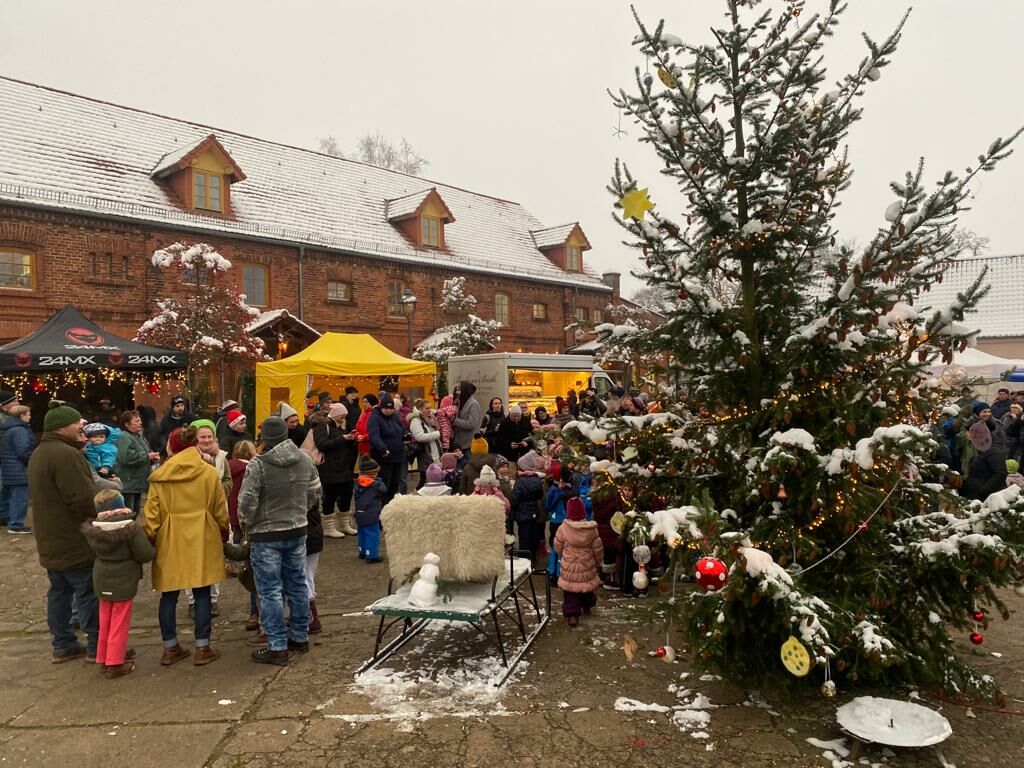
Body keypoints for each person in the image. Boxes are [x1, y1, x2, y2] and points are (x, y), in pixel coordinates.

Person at [237, 416, 321, 665]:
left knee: (270, 590)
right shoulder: (305, 460)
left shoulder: (258, 465)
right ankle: (299, 637)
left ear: (265, 439)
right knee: (297, 583)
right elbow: (315, 492)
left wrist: (247, 525)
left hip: (266, 534)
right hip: (297, 530)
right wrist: (299, 511)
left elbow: (246, 502)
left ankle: (277, 646)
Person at [144, 426, 229, 667]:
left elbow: (151, 515)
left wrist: (152, 537)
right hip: (203, 534)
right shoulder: (208, 472)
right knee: (202, 592)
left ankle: (170, 647)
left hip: (170, 537)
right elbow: (220, 508)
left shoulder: (160, 477)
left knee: (168, 594)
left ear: (172, 447)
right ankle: (203, 647)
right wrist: (223, 532)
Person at [27, 403, 100, 662]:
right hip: (73, 538)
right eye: (76, 422)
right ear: (60, 427)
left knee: (59, 592)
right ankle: (97, 646)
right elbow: (82, 499)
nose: (82, 426)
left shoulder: (40, 453)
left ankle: (63, 644)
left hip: (51, 539)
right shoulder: (65, 455)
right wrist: (102, 514)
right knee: (88, 592)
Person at [82, 490, 155, 678]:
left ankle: (103, 657)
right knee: (119, 621)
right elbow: (145, 554)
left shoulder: (92, 530)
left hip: (101, 576)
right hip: (124, 578)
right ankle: (115, 662)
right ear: (122, 506)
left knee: (105, 620)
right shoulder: (130, 529)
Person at [192, 419, 231, 617]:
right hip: (194, 513)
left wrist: (217, 490)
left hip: (217, 512)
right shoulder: (189, 458)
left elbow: (228, 481)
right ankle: (193, 602)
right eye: (203, 437)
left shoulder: (222, 457)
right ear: (196, 439)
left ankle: (213, 600)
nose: (207, 440)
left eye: (209, 436)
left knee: (215, 557)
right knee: (192, 558)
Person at [310, 401, 359, 538]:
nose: (343, 419)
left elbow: (346, 446)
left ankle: (344, 525)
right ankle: (329, 528)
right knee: (329, 498)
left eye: (344, 416)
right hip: (329, 469)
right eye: (341, 416)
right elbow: (322, 444)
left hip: (345, 469)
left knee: (346, 496)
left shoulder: (345, 426)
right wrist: (343, 438)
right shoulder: (322, 426)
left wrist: (352, 439)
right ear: (334, 415)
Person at [553, 497, 603, 627]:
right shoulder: (591, 530)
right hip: (586, 566)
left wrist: (563, 556)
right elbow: (597, 549)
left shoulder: (563, 529)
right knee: (586, 587)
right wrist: (597, 561)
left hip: (569, 566)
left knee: (570, 591)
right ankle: (587, 605)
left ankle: (572, 615)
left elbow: (557, 546)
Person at [228, 440, 260, 631]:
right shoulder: (252, 469)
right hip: (251, 522)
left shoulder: (227, 469)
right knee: (256, 569)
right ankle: (256, 612)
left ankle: (254, 613)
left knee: (248, 566)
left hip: (235, 521)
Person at [114, 410, 158, 518]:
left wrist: (152, 457)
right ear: (127, 424)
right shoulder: (124, 437)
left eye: (140, 420)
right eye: (136, 420)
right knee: (128, 512)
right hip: (128, 482)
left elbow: (146, 451)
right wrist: (147, 457)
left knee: (135, 512)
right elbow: (126, 457)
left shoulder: (139, 436)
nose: (140, 422)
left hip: (138, 482)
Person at [1, 404, 36, 534]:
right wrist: (33, 460)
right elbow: (23, 451)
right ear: (21, 416)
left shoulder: (9, 429)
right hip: (19, 470)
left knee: (9, 497)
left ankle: (8, 520)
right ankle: (16, 525)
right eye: (28, 414)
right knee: (19, 499)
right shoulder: (19, 431)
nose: (30, 417)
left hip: (9, 469)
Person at [367, 394, 406, 503]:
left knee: (395, 484)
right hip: (384, 457)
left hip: (398, 456)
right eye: (386, 408)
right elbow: (374, 436)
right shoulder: (375, 418)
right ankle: (382, 505)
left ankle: (391, 504)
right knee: (384, 484)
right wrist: (382, 448)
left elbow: (402, 430)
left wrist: (406, 437)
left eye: (391, 408)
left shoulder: (396, 416)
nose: (389, 411)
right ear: (381, 407)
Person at [511, 451, 545, 563]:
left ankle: (524, 560)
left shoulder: (520, 482)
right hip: (534, 512)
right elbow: (540, 494)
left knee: (524, 538)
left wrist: (512, 507)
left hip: (522, 513)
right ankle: (533, 557)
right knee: (534, 536)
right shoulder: (537, 480)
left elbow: (515, 499)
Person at [354, 457, 387, 563]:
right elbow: (384, 490)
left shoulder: (358, 482)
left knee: (362, 533)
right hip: (371, 514)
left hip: (360, 513)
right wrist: (378, 480)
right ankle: (372, 555)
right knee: (372, 534)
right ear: (373, 473)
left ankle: (362, 551)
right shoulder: (375, 484)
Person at [408, 399, 443, 489]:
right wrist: (437, 434)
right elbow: (419, 436)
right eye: (427, 408)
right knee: (424, 480)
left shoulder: (428, 419)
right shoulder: (416, 420)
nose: (429, 410)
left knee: (433, 481)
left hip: (434, 453)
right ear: (420, 409)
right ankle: (417, 495)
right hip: (425, 454)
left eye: (430, 408)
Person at [451, 381, 482, 453]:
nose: (456, 392)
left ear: (465, 391)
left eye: (459, 390)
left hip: (468, 445)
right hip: (460, 444)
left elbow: (471, 424)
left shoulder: (473, 404)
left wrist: (454, 420)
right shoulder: (460, 402)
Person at [354, 393, 379, 458]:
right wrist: (357, 435)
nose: (364, 404)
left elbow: (377, 431)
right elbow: (357, 428)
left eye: (366, 402)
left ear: (372, 402)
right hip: (361, 448)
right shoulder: (363, 413)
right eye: (363, 402)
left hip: (372, 449)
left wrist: (364, 437)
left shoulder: (376, 414)